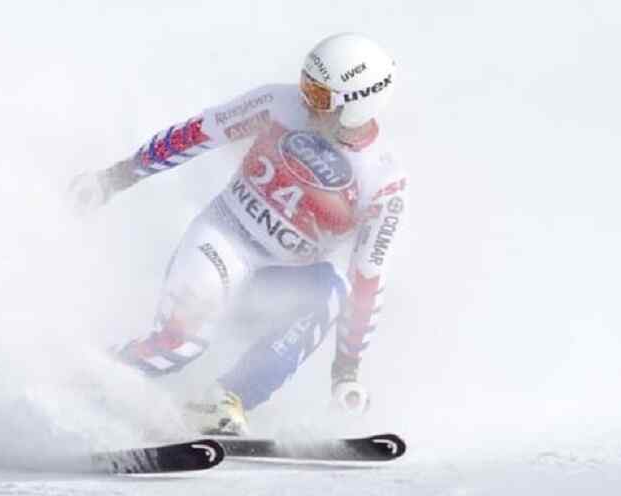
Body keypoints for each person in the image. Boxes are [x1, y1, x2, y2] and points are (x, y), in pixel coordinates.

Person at [70, 32, 409, 436]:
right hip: (224, 241)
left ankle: (224, 400)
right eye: (304, 85)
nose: (305, 101)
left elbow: (367, 278)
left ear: (357, 105)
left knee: (331, 290)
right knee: (180, 346)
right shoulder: (276, 104)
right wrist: (114, 178)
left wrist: (347, 371)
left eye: (318, 96)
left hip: (278, 282)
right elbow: (197, 134)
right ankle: (84, 380)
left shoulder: (382, 181)